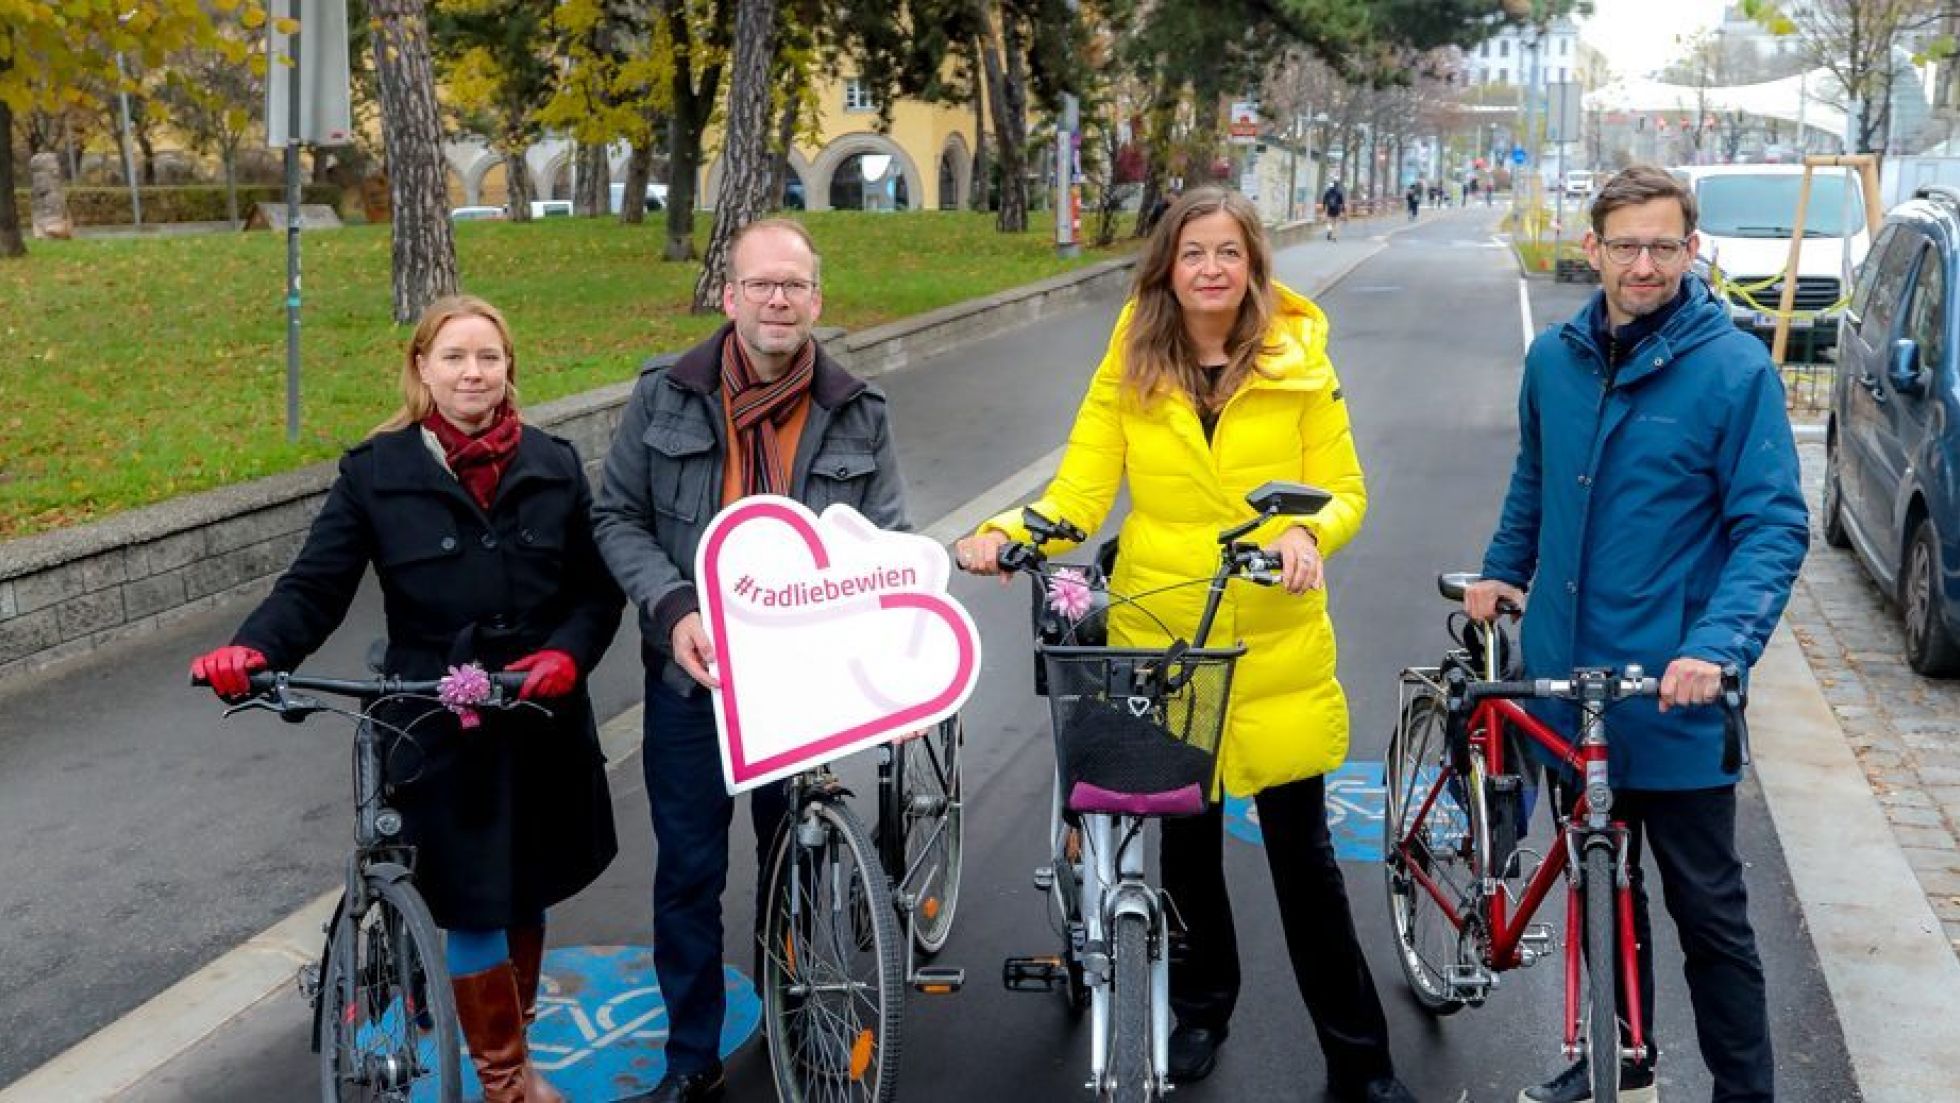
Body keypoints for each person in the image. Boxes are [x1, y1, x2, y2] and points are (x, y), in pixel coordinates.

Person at [955, 186, 1415, 1103]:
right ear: (1167, 264)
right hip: (1165, 627)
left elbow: (1342, 489)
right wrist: (1007, 534)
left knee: (1304, 859)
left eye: (1229, 252)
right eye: (1194, 251)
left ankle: (1360, 1062)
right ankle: (1203, 1006)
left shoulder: (1299, 363)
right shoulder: (1131, 360)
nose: (1211, 268)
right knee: (1187, 844)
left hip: (1276, 639)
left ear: (1254, 265)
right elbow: (1081, 491)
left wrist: (1304, 535)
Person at [189, 295, 623, 1103]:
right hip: (434, 723)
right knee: (475, 901)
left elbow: (595, 591)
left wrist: (567, 654)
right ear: (422, 367)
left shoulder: (555, 463)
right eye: (454, 356)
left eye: (488, 357)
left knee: (522, 888)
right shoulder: (376, 471)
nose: (472, 372)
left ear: (509, 369)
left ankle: (513, 1058)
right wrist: (256, 648)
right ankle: (507, 1083)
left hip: (536, 713)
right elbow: (314, 586)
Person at [1465, 164, 1807, 1103]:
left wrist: (1719, 646)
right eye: (1627, 244)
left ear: (1692, 251)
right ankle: (1622, 1057)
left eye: (1664, 244)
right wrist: (1503, 570)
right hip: (1571, 686)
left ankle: (1745, 1091)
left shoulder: (1734, 370)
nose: (1645, 263)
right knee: (1598, 884)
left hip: (1675, 692)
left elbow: (1773, 526)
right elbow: (1535, 480)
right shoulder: (1554, 361)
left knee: (1710, 914)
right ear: (1595, 249)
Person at [592, 218, 908, 1103]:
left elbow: (885, 536)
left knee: (796, 850)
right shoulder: (665, 395)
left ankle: (801, 1006)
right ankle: (691, 1056)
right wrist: (672, 609)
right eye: (761, 284)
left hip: (803, 683)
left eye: (795, 285)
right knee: (689, 868)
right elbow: (617, 515)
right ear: (728, 296)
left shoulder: (857, 408)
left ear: (818, 298)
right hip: (693, 675)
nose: (779, 299)